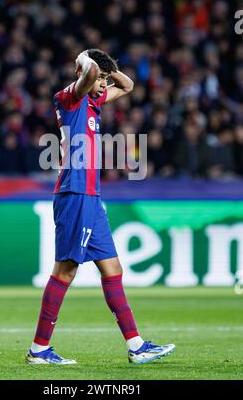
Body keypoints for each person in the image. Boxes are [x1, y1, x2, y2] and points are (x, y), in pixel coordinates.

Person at [26, 49, 175, 365]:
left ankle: (137, 346)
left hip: (91, 198)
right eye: (101, 79)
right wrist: (86, 60)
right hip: (74, 193)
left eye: (106, 80)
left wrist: (110, 68)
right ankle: (39, 349)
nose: (104, 84)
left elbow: (129, 85)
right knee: (65, 271)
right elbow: (91, 75)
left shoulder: (93, 101)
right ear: (81, 74)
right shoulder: (70, 98)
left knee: (113, 270)